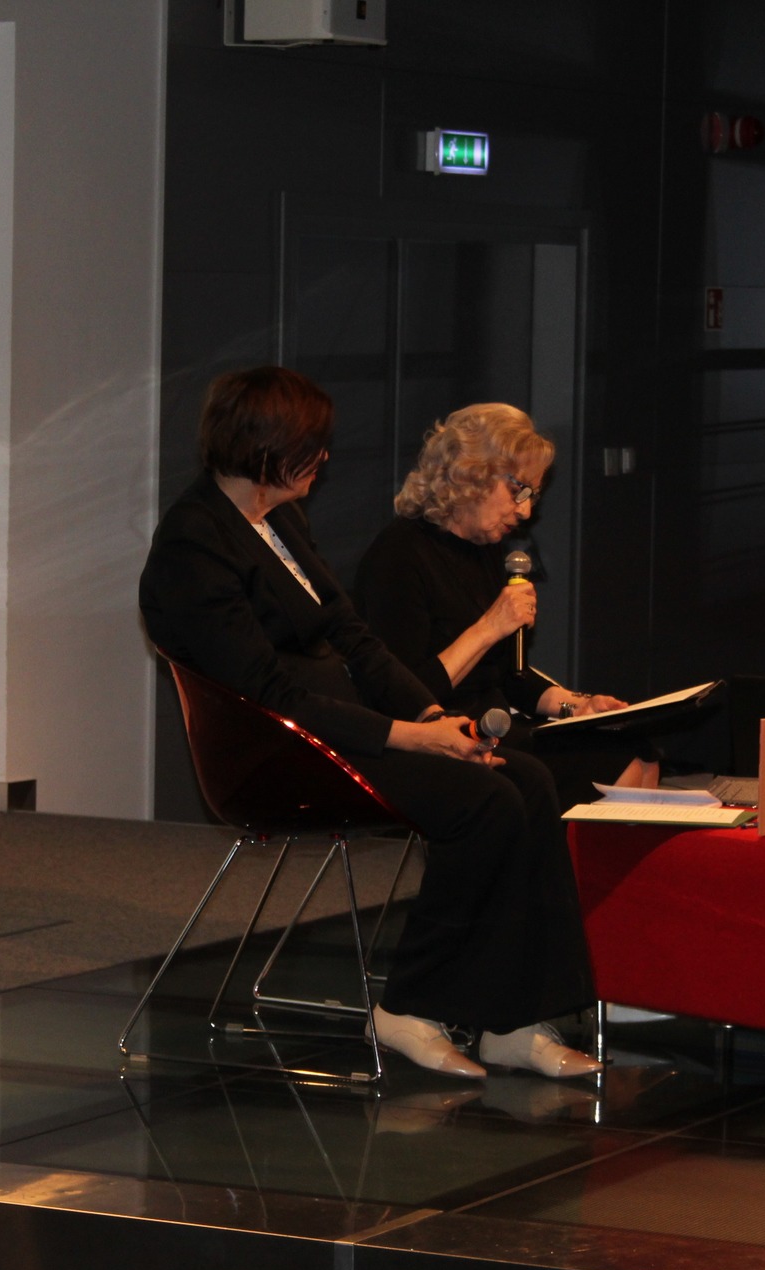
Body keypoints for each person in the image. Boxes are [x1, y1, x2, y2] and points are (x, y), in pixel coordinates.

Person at [139, 367, 600, 1080]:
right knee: (482, 801)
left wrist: (432, 715)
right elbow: (268, 692)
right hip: (280, 749)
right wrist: (413, 737)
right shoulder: (194, 544)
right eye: (312, 447)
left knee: (527, 779)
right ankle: (408, 1005)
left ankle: (510, 1017)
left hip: (346, 724)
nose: (324, 459)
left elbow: (354, 638)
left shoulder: (280, 520)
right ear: (267, 448)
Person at [354, 403, 657, 807]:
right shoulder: (399, 554)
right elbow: (400, 695)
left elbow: (508, 674)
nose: (526, 510)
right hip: (442, 740)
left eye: (533, 495)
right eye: (519, 490)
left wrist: (576, 706)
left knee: (639, 751)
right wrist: (489, 628)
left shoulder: (484, 550)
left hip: (495, 727)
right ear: (471, 474)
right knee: (614, 769)